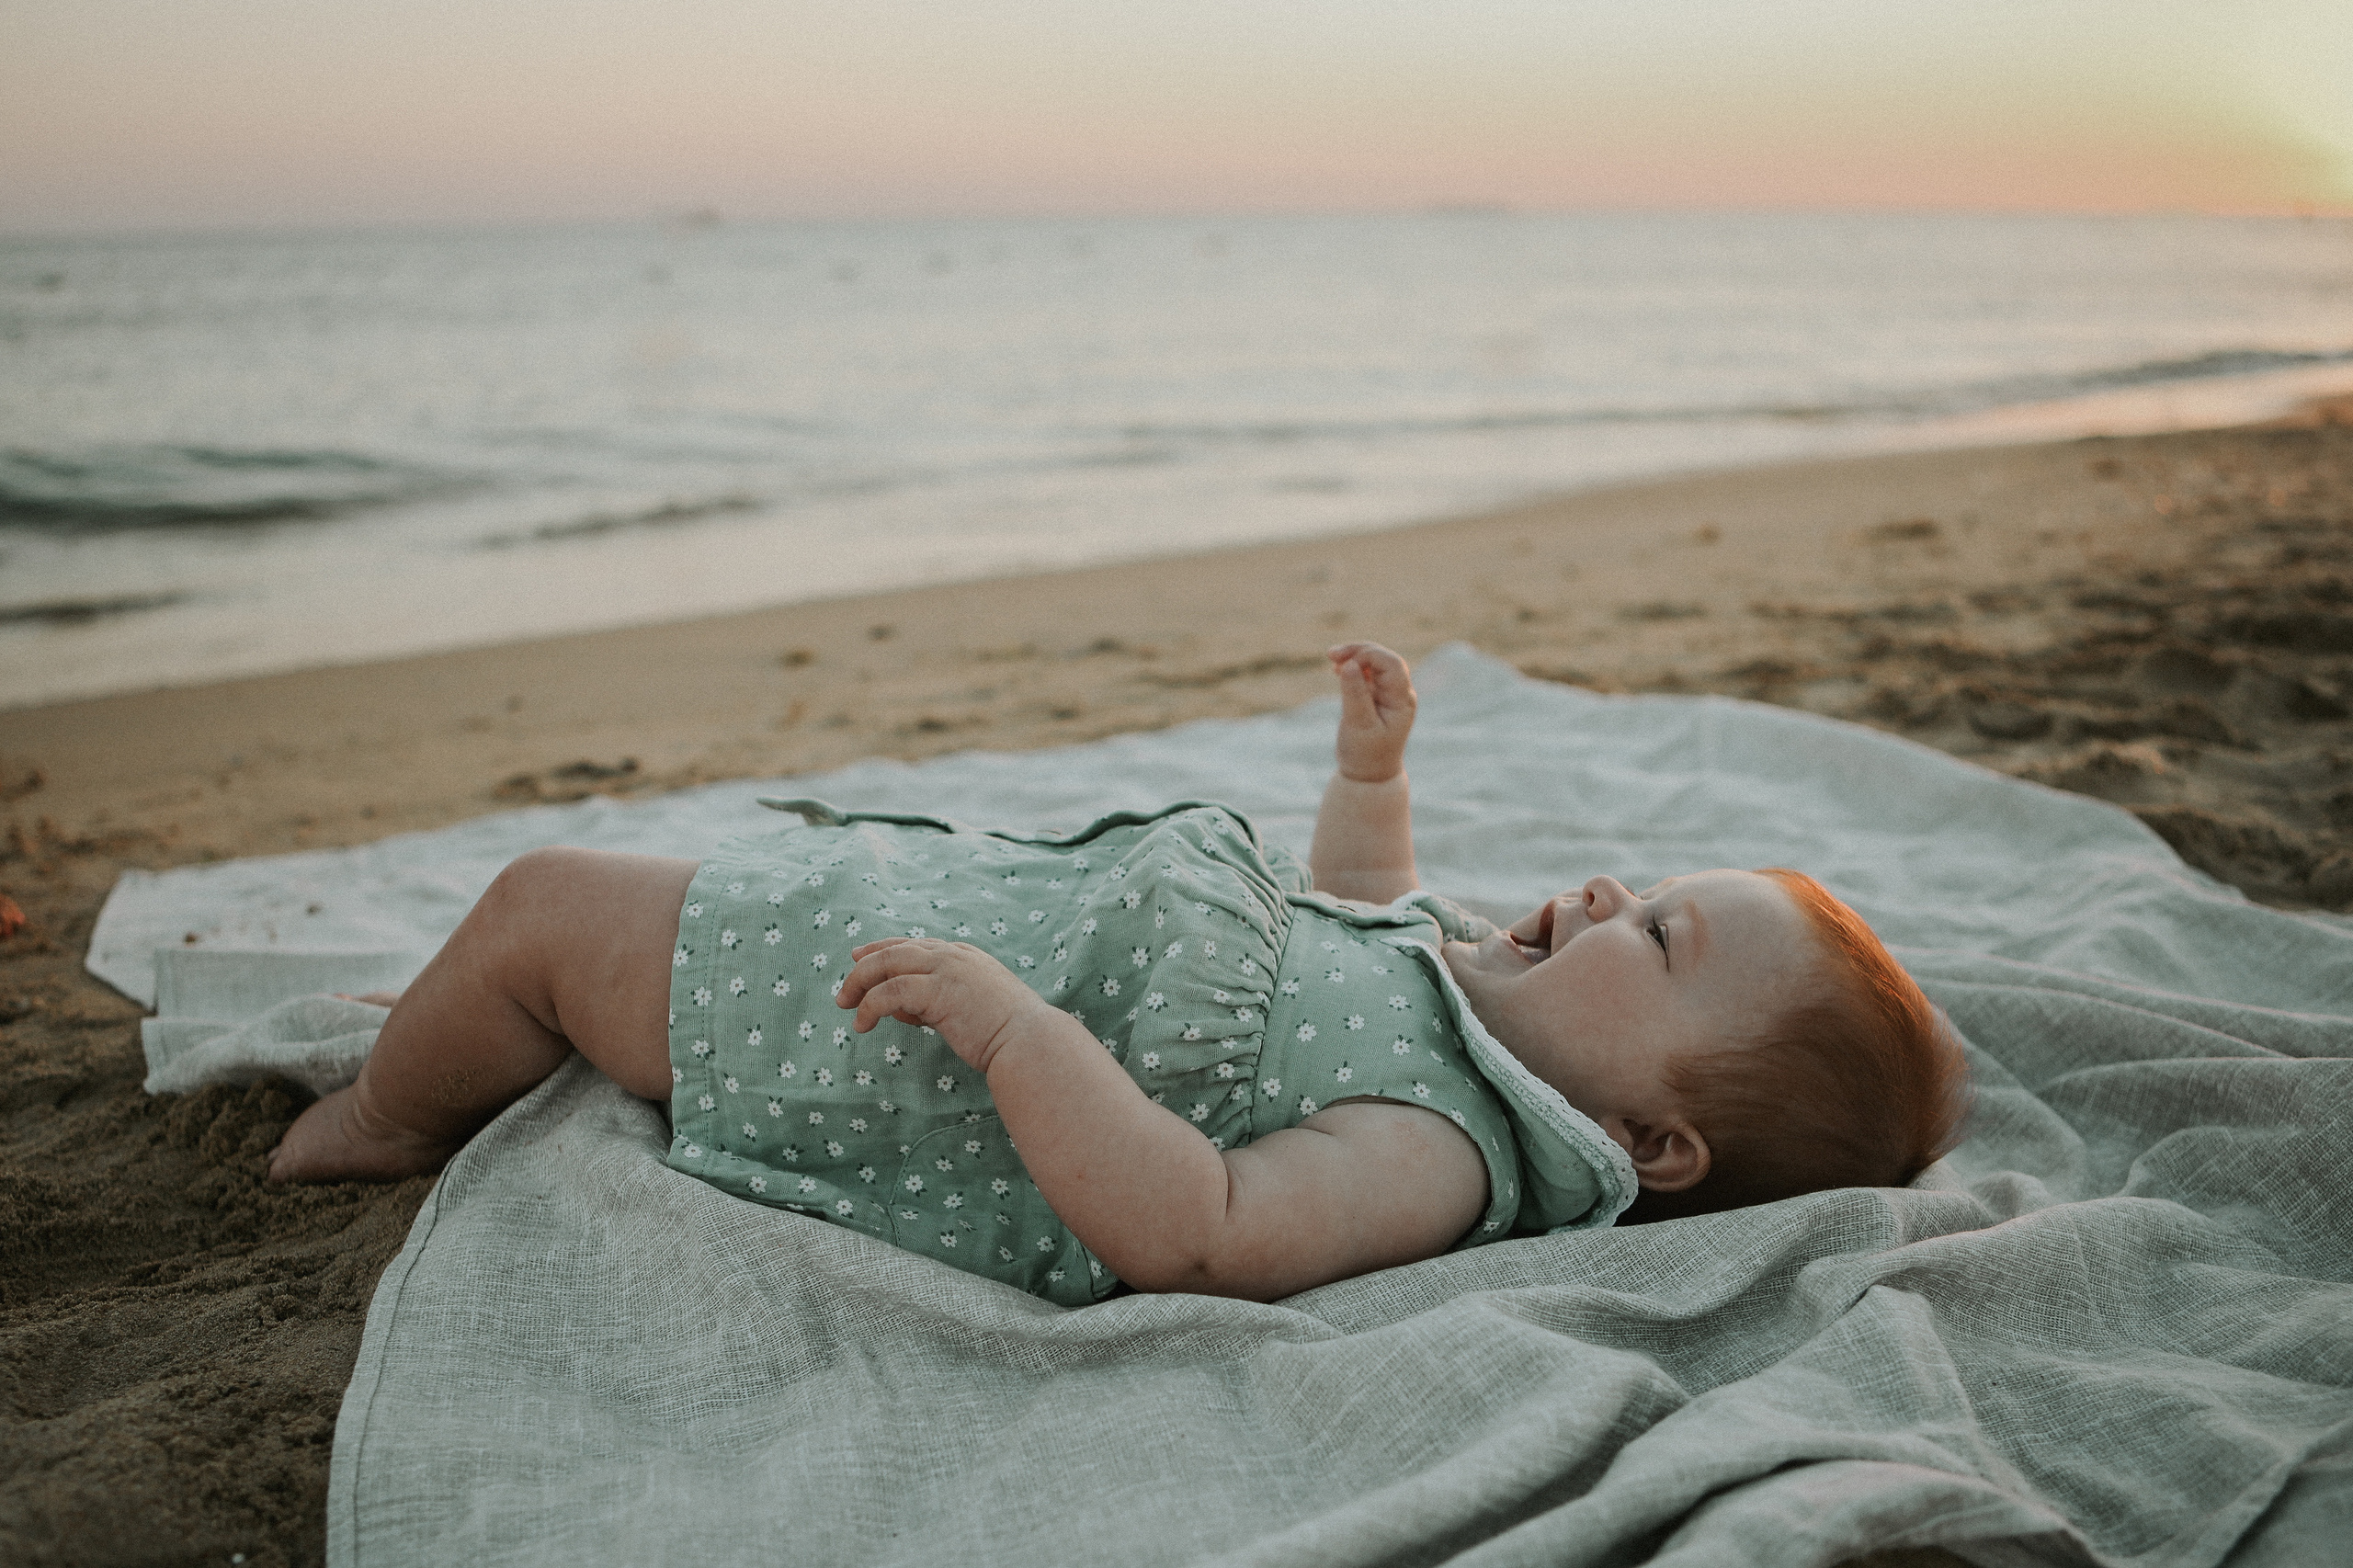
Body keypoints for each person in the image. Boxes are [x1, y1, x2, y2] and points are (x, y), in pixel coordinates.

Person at [269, 643, 1969, 1302]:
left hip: (869, 1033)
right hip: (912, 916)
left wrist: (1019, 1032)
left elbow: (1203, 1225)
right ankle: (455, 1032)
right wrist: (1371, 780)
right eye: (1652, 885)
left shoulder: (1442, 1147)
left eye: (1657, 933)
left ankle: (381, 1114)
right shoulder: (1462, 980)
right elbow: (1352, 907)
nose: (1610, 888)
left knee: (543, 908)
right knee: (581, 933)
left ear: (1656, 1140)